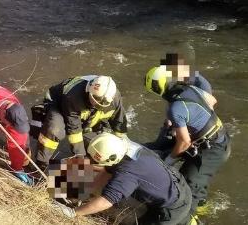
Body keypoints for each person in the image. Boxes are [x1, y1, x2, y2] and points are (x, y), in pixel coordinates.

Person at [143, 54, 231, 221]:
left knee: (188, 186)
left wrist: (170, 160)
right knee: (196, 179)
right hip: (216, 140)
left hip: (211, 149)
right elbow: (212, 100)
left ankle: (189, 218)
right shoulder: (192, 88)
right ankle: (203, 208)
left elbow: (184, 142)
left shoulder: (176, 106)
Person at [57, 133, 194, 225]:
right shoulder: (126, 147)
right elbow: (106, 171)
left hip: (172, 206)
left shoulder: (127, 172)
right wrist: (83, 194)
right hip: (177, 185)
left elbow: (106, 201)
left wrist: (73, 213)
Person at [32, 75, 127, 169]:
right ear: (88, 89)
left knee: (101, 146)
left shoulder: (115, 99)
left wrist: (122, 144)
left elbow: (119, 122)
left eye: (99, 103)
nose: (94, 103)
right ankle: (40, 164)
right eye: (93, 99)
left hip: (87, 114)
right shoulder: (74, 96)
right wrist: (80, 156)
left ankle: (85, 167)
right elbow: (74, 129)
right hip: (59, 104)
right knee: (54, 130)